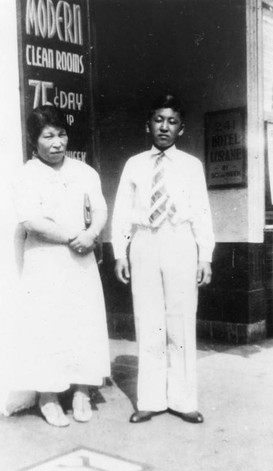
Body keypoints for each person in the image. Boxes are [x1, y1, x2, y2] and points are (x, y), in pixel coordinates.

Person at [111, 94, 215, 424]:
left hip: (179, 240)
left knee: (180, 320)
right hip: (144, 241)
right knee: (148, 317)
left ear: (181, 129)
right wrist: (120, 252)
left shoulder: (191, 166)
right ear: (148, 125)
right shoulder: (134, 164)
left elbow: (201, 212)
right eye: (158, 120)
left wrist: (205, 255)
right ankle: (151, 399)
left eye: (172, 122)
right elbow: (122, 213)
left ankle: (183, 400)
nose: (164, 127)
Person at [11, 105, 110, 427]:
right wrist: (73, 236)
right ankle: (48, 396)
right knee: (47, 324)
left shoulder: (83, 172)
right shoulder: (26, 175)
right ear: (33, 140)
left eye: (61, 134)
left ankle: (82, 390)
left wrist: (92, 234)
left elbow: (99, 208)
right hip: (45, 260)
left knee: (83, 320)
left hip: (80, 260)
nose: (57, 143)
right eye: (48, 136)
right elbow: (31, 219)